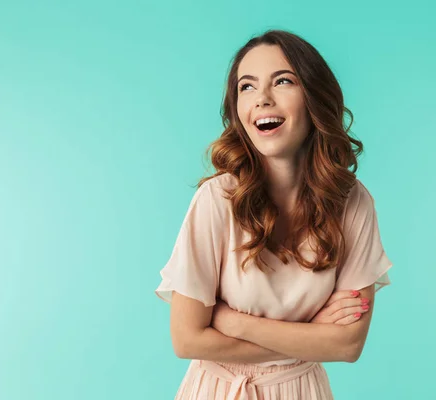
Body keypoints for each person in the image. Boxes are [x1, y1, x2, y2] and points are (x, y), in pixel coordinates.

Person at [155, 29, 393, 400]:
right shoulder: (217, 199)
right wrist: (314, 335)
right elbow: (187, 339)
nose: (262, 99)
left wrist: (231, 321)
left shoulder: (353, 202)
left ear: (314, 96)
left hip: (304, 391)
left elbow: (347, 346)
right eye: (246, 87)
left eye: (282, 81)